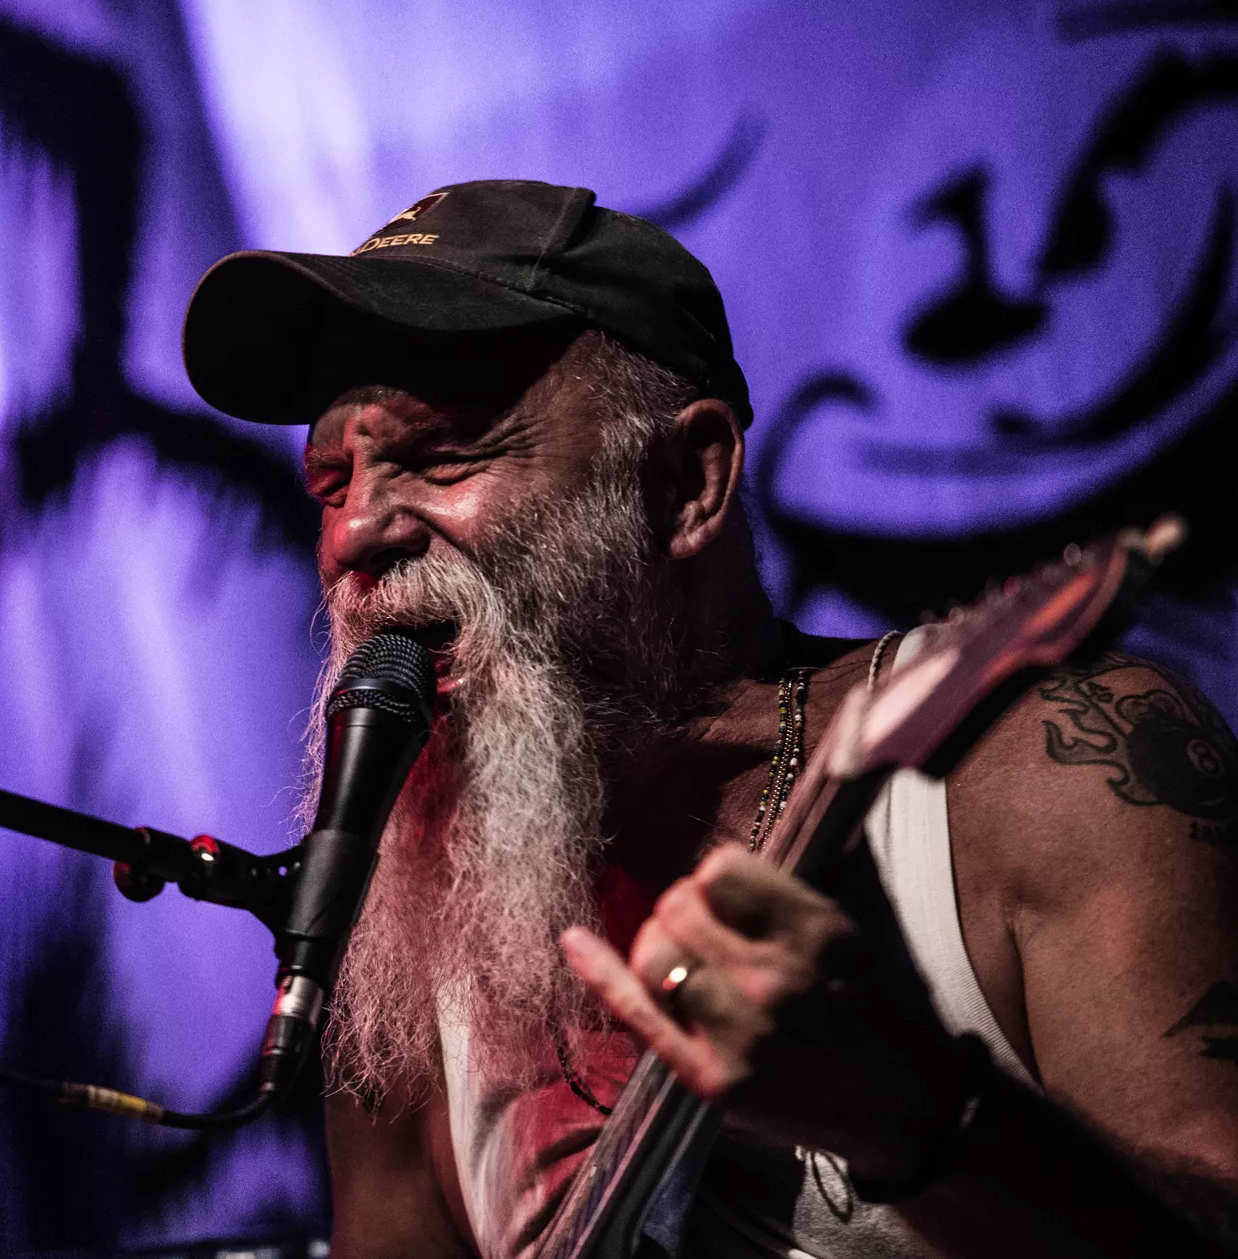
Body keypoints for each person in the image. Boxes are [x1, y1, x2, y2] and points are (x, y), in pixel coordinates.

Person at [180, 180, 1238, 1257]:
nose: (353, 533)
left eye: (442, 454)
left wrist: (917, 1116)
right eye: (329, 483)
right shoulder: (405, 924)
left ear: (687, 480)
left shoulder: (1047, 768)